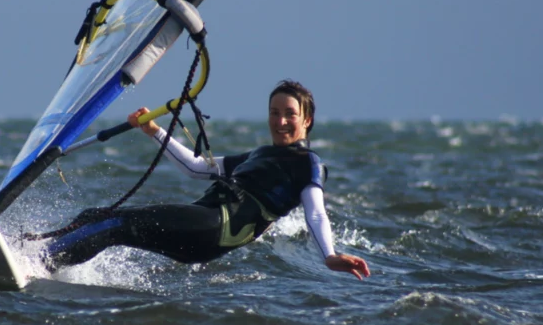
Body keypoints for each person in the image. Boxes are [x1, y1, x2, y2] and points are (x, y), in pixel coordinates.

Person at [43, 80, 370, 280]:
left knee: (112, 225)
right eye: (274, 112)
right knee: (97, 219)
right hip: (203, 226)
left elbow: (315, 212)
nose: (280, 121)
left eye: (290, 113)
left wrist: (329, 254)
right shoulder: (258, 155)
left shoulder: (308, 162)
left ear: (307, 120)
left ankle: (39, 265)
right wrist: (155, 131)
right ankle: (34, 253)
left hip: (216, 227)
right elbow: (198, 168)